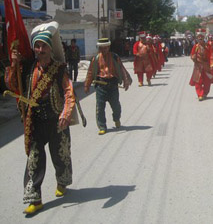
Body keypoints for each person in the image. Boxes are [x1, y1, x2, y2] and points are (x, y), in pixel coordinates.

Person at [4, 22, 76, 215]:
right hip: (35, 122)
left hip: (57, 122)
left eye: (44, 46)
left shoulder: (59, 69)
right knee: (34, 160)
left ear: (50, 48)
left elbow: (69, 92)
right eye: (37, 46)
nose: (40, 50)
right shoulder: (27, 68)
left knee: (61, 156)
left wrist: (65, 114)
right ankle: (34, 199)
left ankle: (62, 181)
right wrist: (14, 64)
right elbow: (12, 85)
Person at [84, 38, 132, 135]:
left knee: (116, 106)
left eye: (106, 48)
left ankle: (116, 118)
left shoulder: (115, 57)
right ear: (99, 48)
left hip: (113, 86)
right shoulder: (96, 59)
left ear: (109, 47)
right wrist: (87, 85)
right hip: (100, 86)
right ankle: (102, 126)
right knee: (100, 107)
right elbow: (90, 72)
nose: (104, 50)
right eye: (102, 48)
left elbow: (121, 68)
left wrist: (126, 80)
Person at [189, 29, 213, 101]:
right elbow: (192, 54)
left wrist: (212, 63)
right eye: (198, 37)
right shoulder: (195, 46)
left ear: (204, 38)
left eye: (201, 37)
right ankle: (200, 94)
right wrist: (193, 57)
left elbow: (211, 55)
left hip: (206, 65)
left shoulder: (208, 46)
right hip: (198, 66)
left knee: (207, 81)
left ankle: (205, 93)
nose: (200, 39)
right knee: (198, 81)